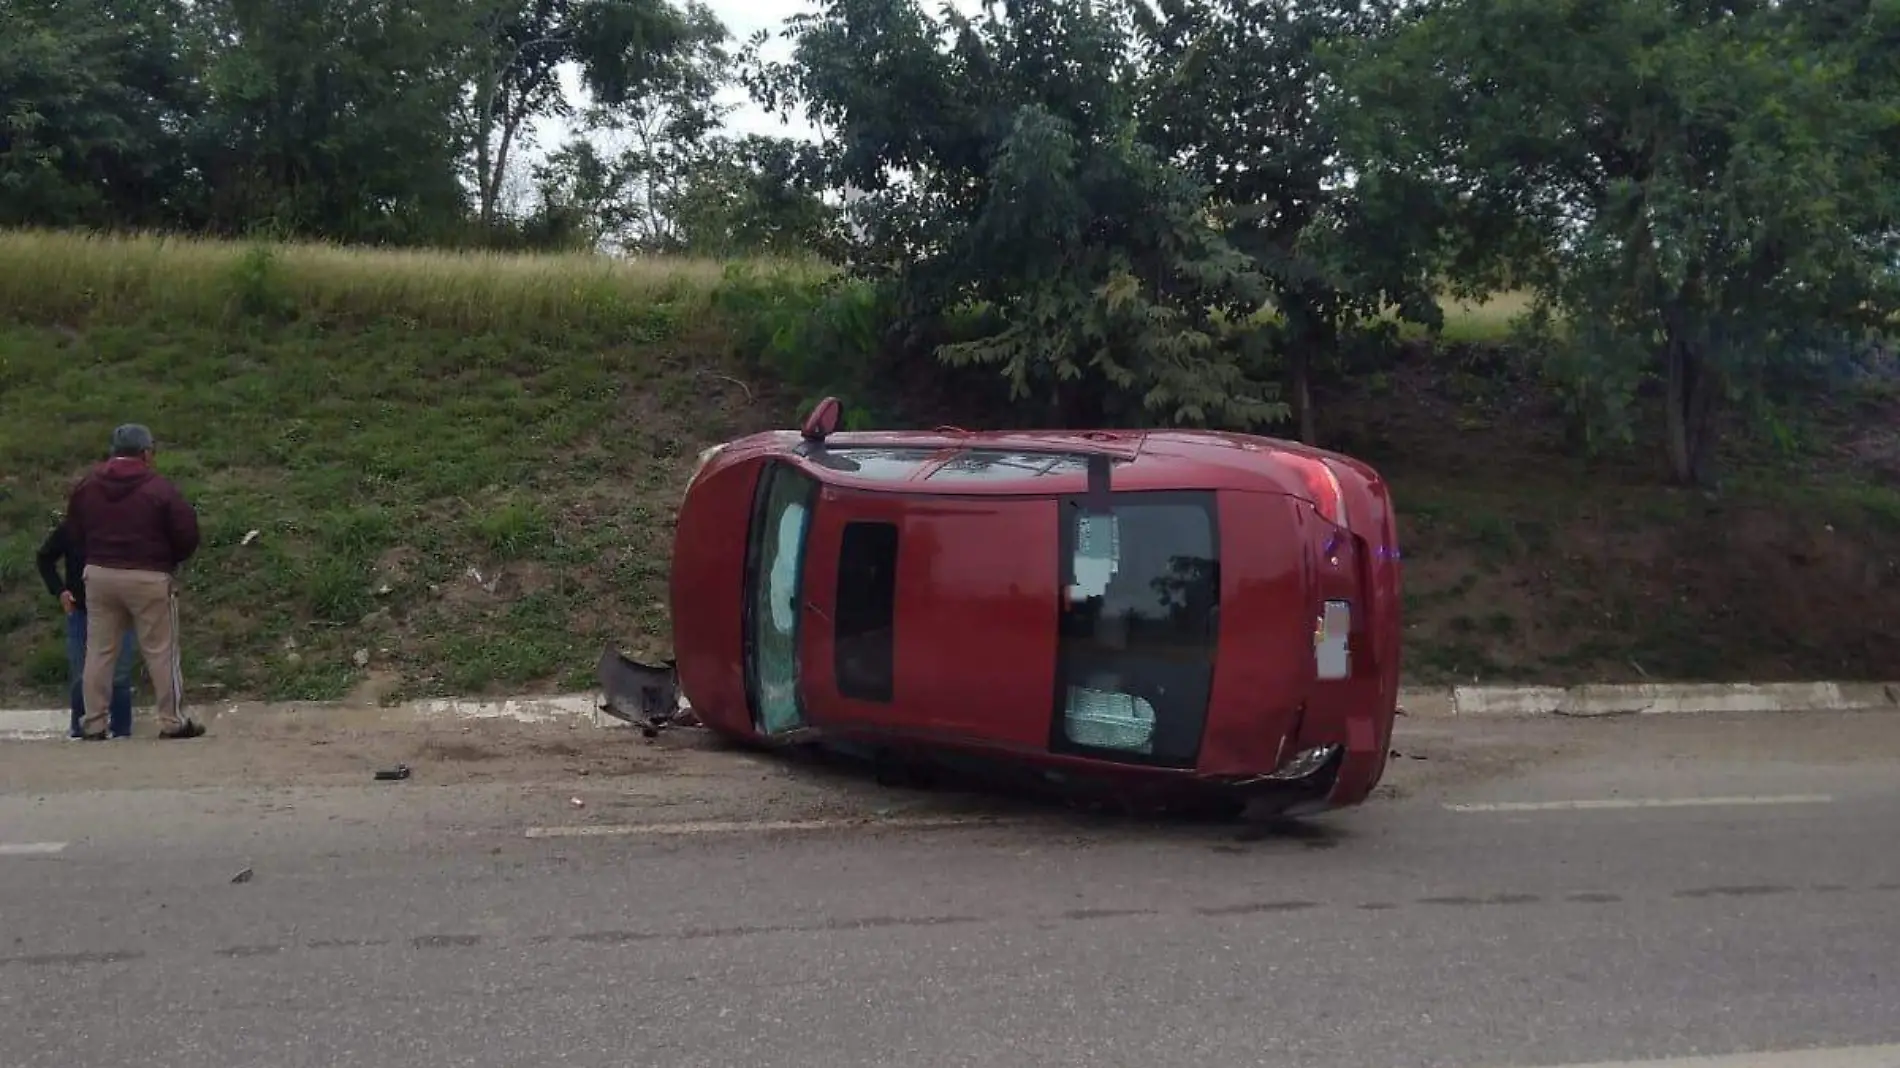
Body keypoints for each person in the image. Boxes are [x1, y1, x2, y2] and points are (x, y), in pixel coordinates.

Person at [64, 423, 205, 741]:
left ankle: (94, 723)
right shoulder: (158, 487)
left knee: (99, 651)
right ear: (145, 453)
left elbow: (73, 530)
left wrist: (95, 554)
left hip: (99, 574)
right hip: (148, 575)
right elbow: (186, 532)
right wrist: (170, 561)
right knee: (160, 650)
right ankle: (172, 721)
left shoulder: (87, 485)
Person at [35, 517, 140, 738]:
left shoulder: (125, 524)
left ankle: (121, 729)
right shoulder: (71, 527)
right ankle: (81, 728)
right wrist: (59, 591)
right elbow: (44, 558)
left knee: (119, 672)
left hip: (119, 607)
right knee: (80, 671)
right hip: (80, 608)